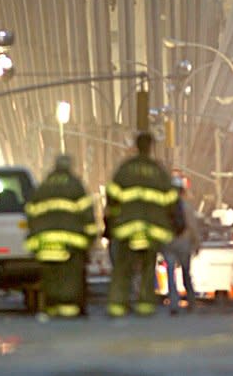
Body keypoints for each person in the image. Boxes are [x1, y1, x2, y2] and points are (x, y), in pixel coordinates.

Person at [105, 131, 179, 317]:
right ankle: (145, 305)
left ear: (136, 146)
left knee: (123, 268)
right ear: (151, 147)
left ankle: (118, 304)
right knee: (148, 267)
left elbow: (112, 197)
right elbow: (171, 200)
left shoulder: (125, 169)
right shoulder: (159, 171)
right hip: (152, 229)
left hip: (127, 228)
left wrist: (111, 222)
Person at [24, 154, 96, 318]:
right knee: (69, 276)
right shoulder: (76, 186)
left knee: (50, 275)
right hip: (70, 243)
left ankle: (51, 307)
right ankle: (68, 308)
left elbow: (30, 213)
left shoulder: (42, 187)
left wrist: (34, 238)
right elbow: (87, 215)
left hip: (44, 243)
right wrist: (90, 239)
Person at [163, 176, 201, 316]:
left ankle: (174, 303)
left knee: (170, 274)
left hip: (168, 243)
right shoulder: (186, 206)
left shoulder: (164, 207)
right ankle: (191, 301)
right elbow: (192, 226)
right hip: (183, 243)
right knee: (186, 273)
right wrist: (196, 243)